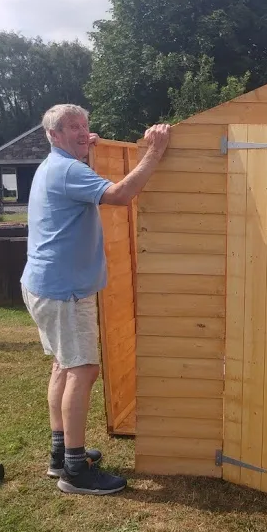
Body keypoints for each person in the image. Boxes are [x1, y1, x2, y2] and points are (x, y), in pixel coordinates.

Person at [20, 103, 170, 495]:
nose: (83, 132)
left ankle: (61, 456)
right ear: (53, 135)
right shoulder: (67, 170)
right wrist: (155, 151)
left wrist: (85, 149)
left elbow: (84, 181)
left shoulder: (56, 166)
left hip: (47, 285)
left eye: (85, 126)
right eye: (72, 127)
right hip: (63, 292)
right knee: (83, 370)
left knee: (64, 366)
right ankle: (75, 471)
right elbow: (120, 194)